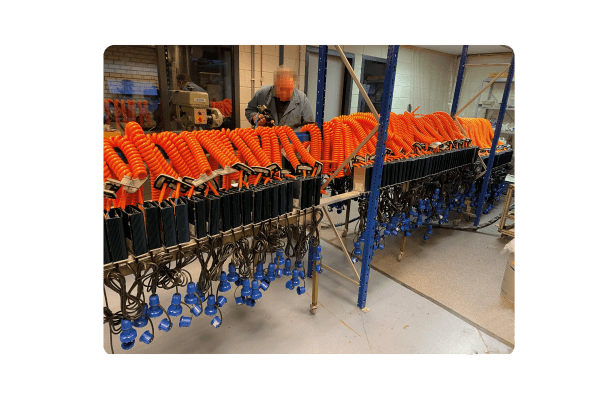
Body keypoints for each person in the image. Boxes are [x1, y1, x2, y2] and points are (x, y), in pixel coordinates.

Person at [245, 67, 314, 129]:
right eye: (281, 89)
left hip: (292, 139)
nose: (284, 93)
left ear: (293, 86)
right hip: (267, 138)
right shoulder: (262, 94)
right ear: (275, 85)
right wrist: (254, 117)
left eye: (288, 89)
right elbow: (249, 110)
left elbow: (309, 125)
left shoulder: (302, 99)